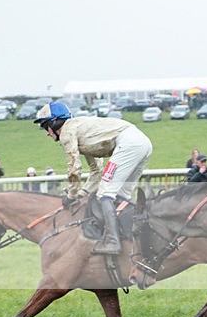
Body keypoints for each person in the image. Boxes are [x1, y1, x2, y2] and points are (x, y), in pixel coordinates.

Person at [34, 101, 153, 255]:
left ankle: (112, 242)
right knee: (121, 196)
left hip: (129, 143)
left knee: (105, 193)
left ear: (54, 122)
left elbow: (74, 168)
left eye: (45, 126)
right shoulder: (81, 130)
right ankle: (130, 235)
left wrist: (71, 194)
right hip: (142, 142)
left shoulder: (66, 132)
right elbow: (96, 171)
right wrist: (82, 193)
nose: (46, 133)